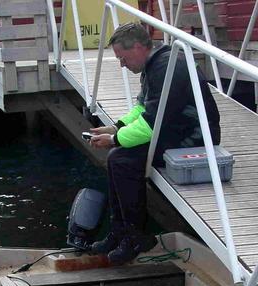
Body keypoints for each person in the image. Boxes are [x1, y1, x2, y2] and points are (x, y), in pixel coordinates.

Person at [87, 22, 221, 265]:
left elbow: (150, 125)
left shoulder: (168, 68)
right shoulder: (156, 63)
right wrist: (117, 127)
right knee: (118, 156)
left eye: (122, 57)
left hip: (194, 138)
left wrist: (115, 139)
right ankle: (121, 231)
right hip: (176, 129)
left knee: (121, 160)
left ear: (138, 47)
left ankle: (137, 236)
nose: (121, 64)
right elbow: (143, 107)